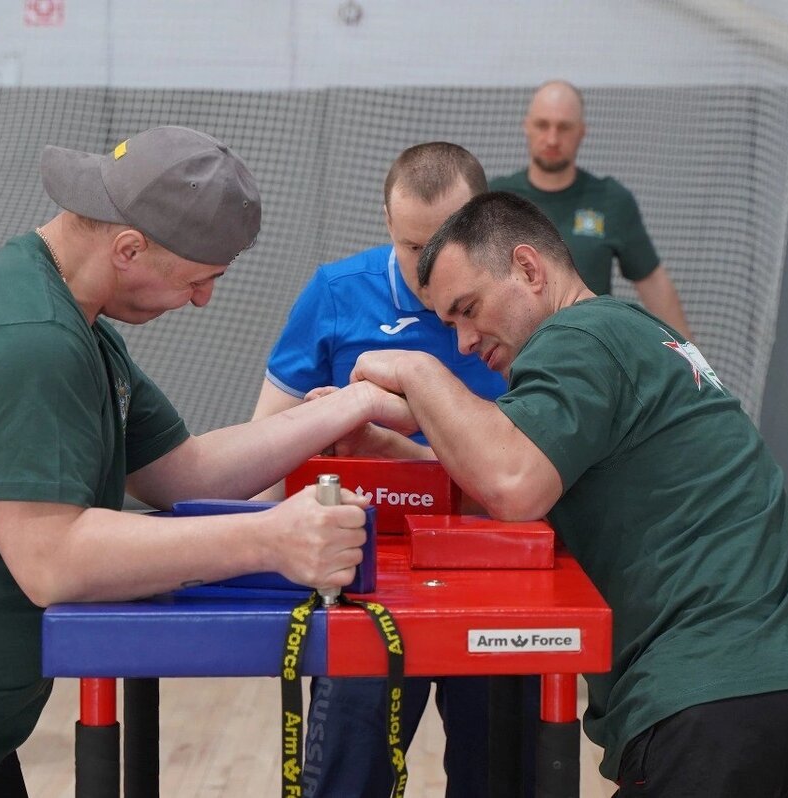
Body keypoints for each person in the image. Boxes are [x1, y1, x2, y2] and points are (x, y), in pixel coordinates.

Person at [0, 125, 415, 797]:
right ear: (129, 248)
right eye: (196, 281)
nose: (203, 300)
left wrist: (347, 406)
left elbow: (182, 473)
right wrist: (270, 537)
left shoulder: (69, 315)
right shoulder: (31, 340)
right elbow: (53, 560)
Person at [345, 191, 788, 797]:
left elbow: (511, 484)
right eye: (448, 325)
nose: (462, 342)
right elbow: (513, 474)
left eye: (468, 309)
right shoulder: (628, 333)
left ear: (530, 270)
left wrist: (417, 372)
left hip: (714, 706)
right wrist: (403, 454)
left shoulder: (576, 339)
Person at [251, 142, 513, 798]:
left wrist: (397, 440)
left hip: (496, 576)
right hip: (368, 580)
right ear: (386, 226)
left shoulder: (525, 309)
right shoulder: (336, 295)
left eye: (443, 245)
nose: (425, 269)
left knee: (501, 778)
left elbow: (533, 472)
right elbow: (264, 451)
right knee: (346, 779)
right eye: (408, 246)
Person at [490, 80, 694, 340]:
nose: (552, 138)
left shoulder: (610, 199)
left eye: (564, 127)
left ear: (582, 132)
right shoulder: (495, 200)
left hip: (592, 351)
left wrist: (693, 361)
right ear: (526, 126)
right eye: (543, 125)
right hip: (515, 354)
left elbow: (653, 281)